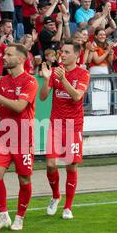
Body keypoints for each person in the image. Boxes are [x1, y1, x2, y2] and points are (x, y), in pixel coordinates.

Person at [0, 43, 38, 232]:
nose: (3, 57)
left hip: (23, 137)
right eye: (4, 53)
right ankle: (3, 215)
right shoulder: (3, 81)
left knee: (24, 180)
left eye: (8, 54)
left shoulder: (30, 81)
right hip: (4, 136)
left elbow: (20, 106)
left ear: (21, 59)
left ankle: (20, 217)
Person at [39, 40, 90, 219]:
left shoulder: (83, 73)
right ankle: (55, 196)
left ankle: (68, 207)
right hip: (56, 124)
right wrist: (46, 80)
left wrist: (63, 79)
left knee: (71, 166)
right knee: (51, 164)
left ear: (77, 55)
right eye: (62, 51)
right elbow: (43, 97)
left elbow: (77, 96)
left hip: (73, 126)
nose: (63, 54)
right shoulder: (55, 71)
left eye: (67, 52)